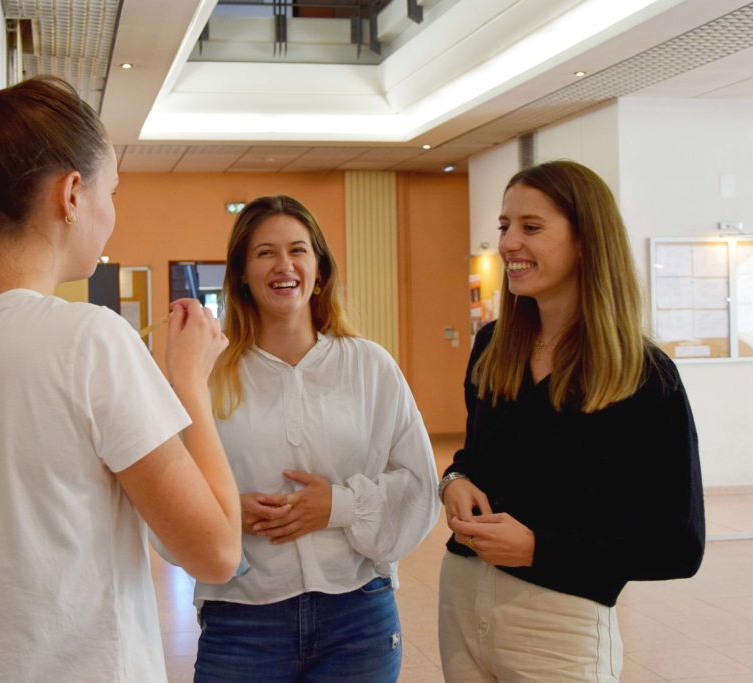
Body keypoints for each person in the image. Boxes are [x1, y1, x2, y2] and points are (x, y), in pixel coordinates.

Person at [0, 74, 241, 682]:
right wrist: (190, 382)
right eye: (111, 191)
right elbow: (218, 550)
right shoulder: (88, 342)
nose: (112, 213)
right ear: (71, 194)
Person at [437, 160, 705, 682]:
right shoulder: (493, 345)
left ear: (586, 241)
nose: (509, 242)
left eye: (531, 227)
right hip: (463, 598)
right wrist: (455, 480)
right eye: (504, 225)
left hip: (560, 619)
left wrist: (540, 548)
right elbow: (474, 455)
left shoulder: (644, 376)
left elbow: (678, 545)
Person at [190, 195, 440, 682]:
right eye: (265, 252)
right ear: (241, 271)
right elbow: (168, 489)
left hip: (357, 615)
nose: (284, 265)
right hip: (243, 618)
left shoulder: (369, 366)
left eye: (298, 250)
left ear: (319, 269)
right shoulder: (207, 373)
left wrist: (339, 506)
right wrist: (226, 511)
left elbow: (418, 484)